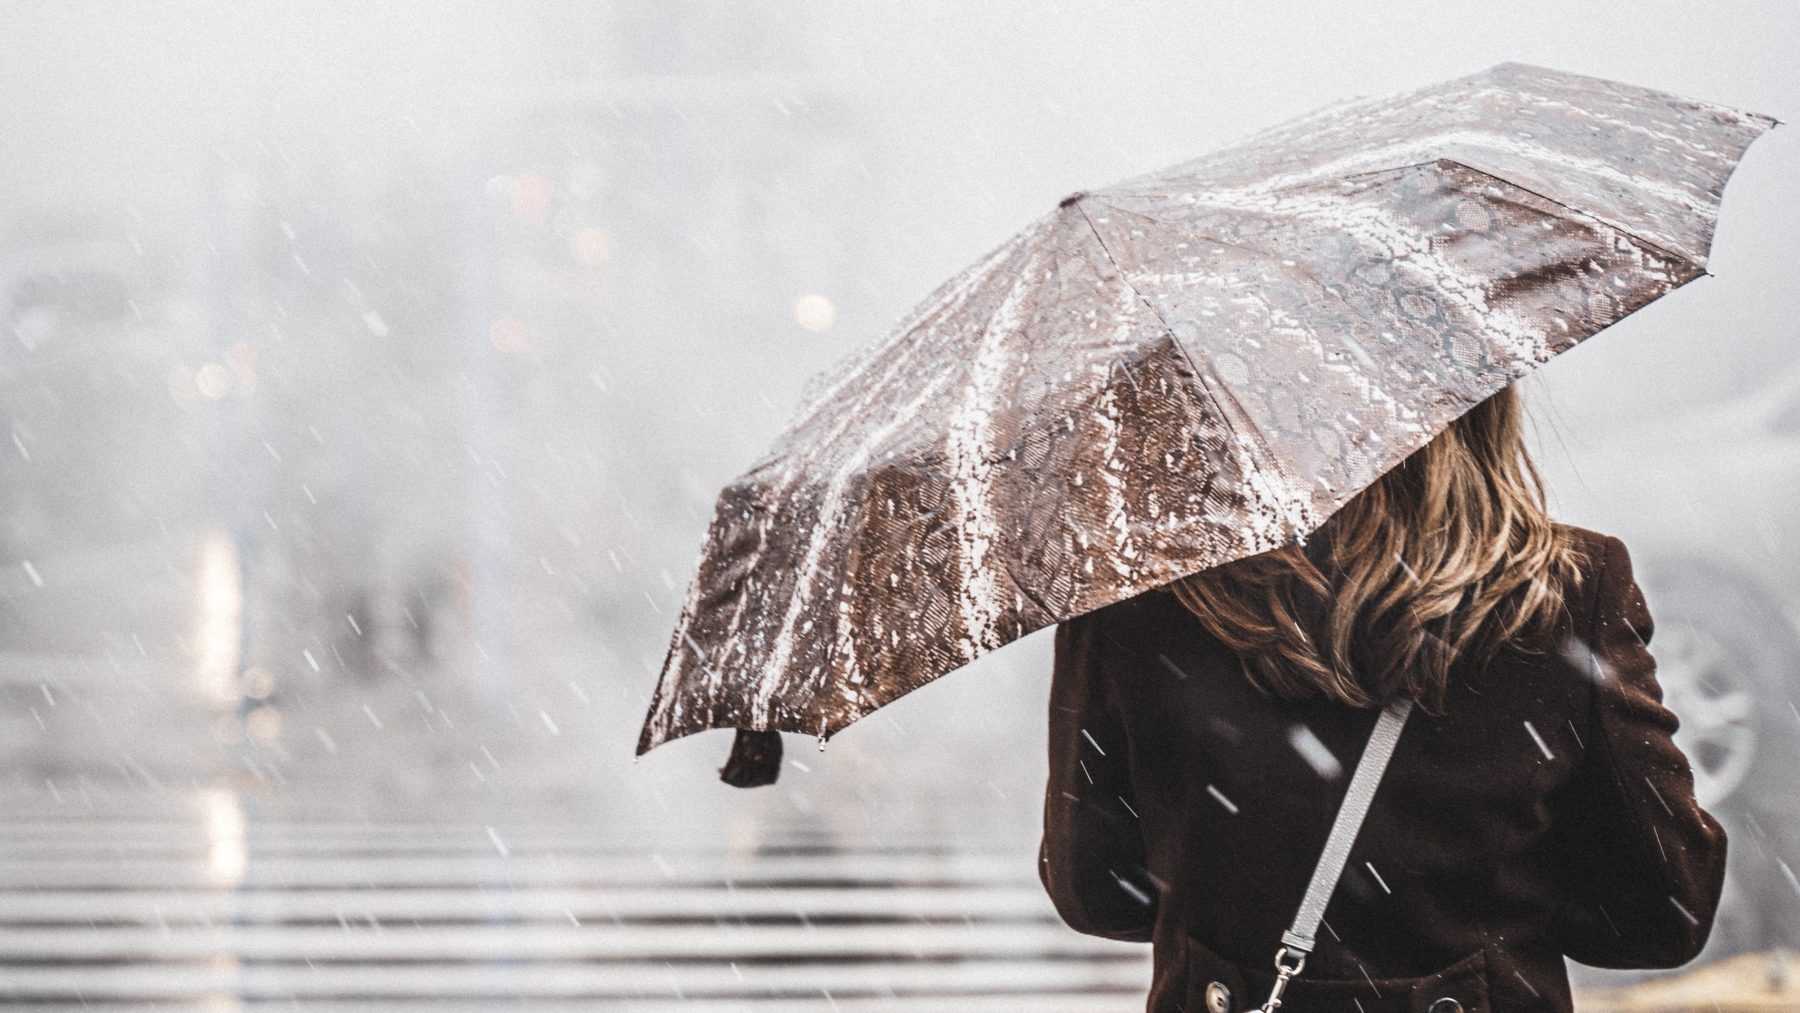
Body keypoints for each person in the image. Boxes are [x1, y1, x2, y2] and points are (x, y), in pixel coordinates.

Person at [1038, 383, 1728, 1013]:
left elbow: (1096, 891)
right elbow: (1662, 915)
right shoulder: (1563, 591)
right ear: (1476, 393)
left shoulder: (1135, 594)